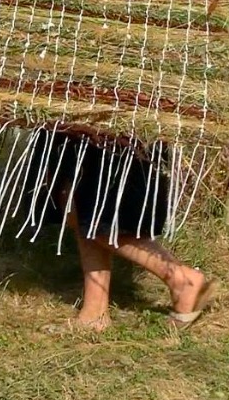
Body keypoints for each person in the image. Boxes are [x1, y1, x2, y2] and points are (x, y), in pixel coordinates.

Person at [46, 136, 214, 332]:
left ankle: (180, 279)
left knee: (98, 210)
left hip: (114, 132)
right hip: (95, 129)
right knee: (78, 200)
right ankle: (94, 311)